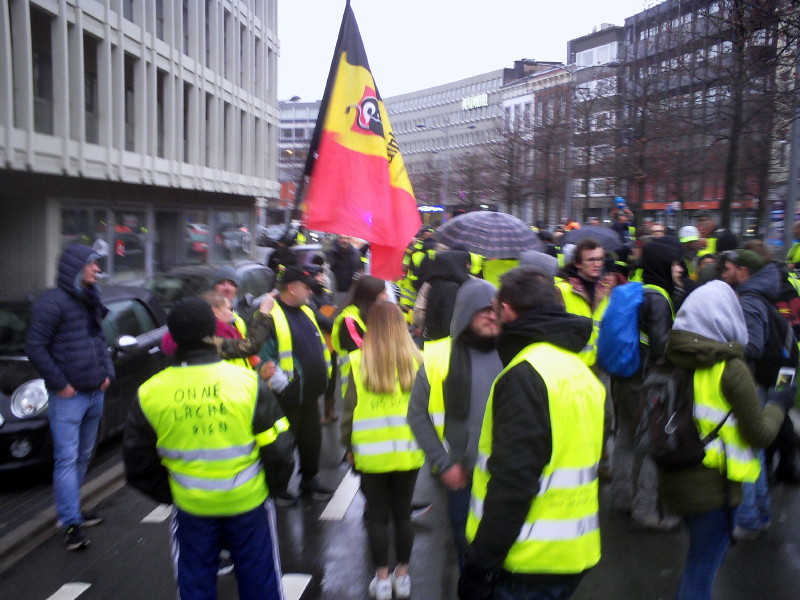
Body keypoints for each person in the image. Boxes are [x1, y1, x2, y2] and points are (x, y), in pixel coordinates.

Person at [123, 297, 293, 600]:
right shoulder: (247, 384)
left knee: (195, 586)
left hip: (192, 509)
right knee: (260, 583)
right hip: (249, 504)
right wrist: (272, 489)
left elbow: (138, 464)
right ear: (214, 332)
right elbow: (279, 450)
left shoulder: (150, 392)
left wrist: (174, 494)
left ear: (172, 337)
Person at [459, 266, 606, 600]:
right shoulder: (579, 372)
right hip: (574, 551)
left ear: (507, 311)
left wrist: (479, 563)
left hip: (526, 559)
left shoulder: (525, 374)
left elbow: (514, 480)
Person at [659, 281, 789, 600]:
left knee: (696, 561)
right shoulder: (730, 368)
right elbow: (758, 434)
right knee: (700, 574)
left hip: (674, 477)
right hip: (713, 489)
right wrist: (778, 405)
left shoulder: (670, 356)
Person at [407, 278, 502, 567]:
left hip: (506, 474)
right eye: (481, 309)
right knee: (465, 544)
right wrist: (443, 463)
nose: (490, 314)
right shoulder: (437, 357)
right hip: (462, 474)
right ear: (464, 313)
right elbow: (417, 415)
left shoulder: (514, 353)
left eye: (495, 309)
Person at [25, 244, 114, 551]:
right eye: (93, 265)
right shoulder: (51, 304)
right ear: (76, 267)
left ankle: (72, 511)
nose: (97, 269)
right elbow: (35, 347)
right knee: (67, 458)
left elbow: (99, 340)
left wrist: (107, 374)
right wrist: (60, 384)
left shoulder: (90, 298)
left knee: (83, 456)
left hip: (94, 391)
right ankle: (70, 522)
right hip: (69, 396)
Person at [341, 301, 424, 600]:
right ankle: (403, 577)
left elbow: (348, 411)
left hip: (370, 452)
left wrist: (347, 446)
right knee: (403, 515)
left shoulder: (356, 361)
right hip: (409, 450)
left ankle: (382, 579)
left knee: (377, 518)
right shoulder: (418, 360)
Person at [608, 241, 682, 531]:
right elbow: (662, 346)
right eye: (675, 263)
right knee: (653, 444)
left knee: (625, 436)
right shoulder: (660, 298)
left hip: (623, 376)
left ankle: (621, 497)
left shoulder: (633, 289)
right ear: (663, 265)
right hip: (647, 382)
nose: (679, 269)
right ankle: (645, 509)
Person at [257, 265, 334, 505]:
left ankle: (309, 481)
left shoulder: (307, 310)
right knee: (282, 446)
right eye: (307, 287)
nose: (311, 292)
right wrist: (279, 382)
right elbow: (262, 353)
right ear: (292, 287)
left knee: (311, 442)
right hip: (286, 396)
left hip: (309, 395)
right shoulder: (271, 314)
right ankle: (277, 488)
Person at [555, 238, 610, 368]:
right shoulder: (562, 290)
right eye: (591, 260)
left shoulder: (603, 289)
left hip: (599, 365)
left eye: (600, 259)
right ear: (578, 263)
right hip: (571, 366)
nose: (597, 264)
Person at [328, 235, 364, 307]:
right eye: (341, 238)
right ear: (338, 239)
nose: (344, 240)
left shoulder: (356, 254)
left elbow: (360, 269)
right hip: (334, 290)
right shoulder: (331, 252)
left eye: (346, 238)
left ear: (350, 239)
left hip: (350, 289)